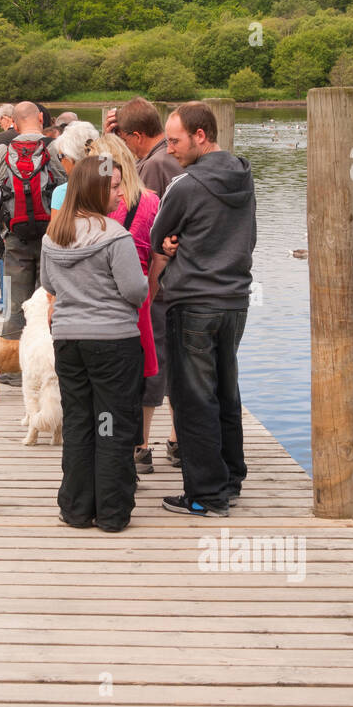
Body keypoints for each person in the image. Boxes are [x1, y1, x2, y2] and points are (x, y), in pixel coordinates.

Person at [149, 101, 256, 518]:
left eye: (174, 140)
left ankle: (205, 495)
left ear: (200, 135)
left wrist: (174, 244)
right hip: (235, 301)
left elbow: (159, 238)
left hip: (193, 302)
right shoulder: (244, 177)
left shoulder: (185, 184)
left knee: (194, 399)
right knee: (226, 392)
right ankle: (230, 479)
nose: (169, 148)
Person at [40, 155, 147, 532]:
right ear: (97, 189)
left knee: (81, 422)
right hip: (113, 342)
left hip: (69, 341)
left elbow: (49, 286)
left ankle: (76, 508)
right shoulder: (115, 236)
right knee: (111, 424)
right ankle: (112, 511)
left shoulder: (52, 236)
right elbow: (135, 291)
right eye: (115, 186)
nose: (121, 195)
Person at [0, 101, 67, 384]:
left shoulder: (3, 151)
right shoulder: (55, 148)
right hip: (51, 237)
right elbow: (71, 189)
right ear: (40, 118)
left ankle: (11, 372)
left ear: (13, 123)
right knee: (47, 302)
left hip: (14, 238)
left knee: (16, 305)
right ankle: (47, 370)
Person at [89, 134, 163, 475]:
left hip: (100, 301)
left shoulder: (94, 204)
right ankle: (141, 444)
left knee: (105, 382)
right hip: (141, 298)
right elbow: (158, 250)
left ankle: (106, 443)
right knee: (142, 373)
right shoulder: (151, 202)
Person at [104, 97, 184, 197]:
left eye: (124, 140)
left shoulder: (154, 165)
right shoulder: (170, 151)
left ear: (138, 136)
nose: (125, 146)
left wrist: (105, 150)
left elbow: (106, 188)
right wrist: (109, 143)